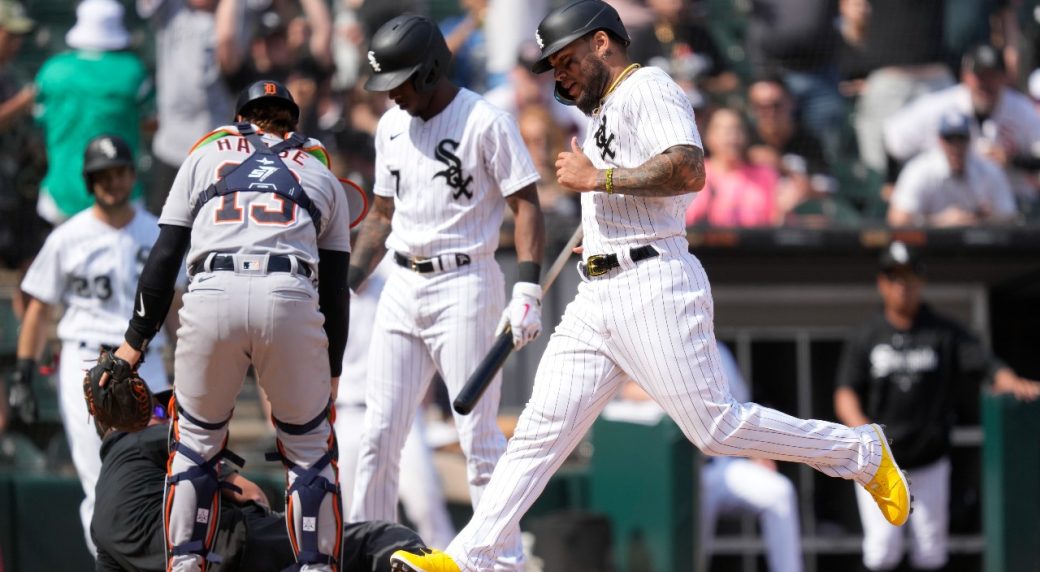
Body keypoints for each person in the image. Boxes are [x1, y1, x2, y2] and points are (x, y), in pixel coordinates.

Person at [390, 2, 912, 570]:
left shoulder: (650, 87)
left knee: (716, 428)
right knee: (539, 432)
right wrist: (600, 223)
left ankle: (860, 450)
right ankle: (467, 557)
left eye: (565, 61)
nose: (559, 76)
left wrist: (599, 179)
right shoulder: (602, 112)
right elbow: (630, 193)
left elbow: (689, 169)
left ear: (602, 43)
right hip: (598, 293)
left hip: (653, 282)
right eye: (551, 67)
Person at [106, 80, 352, 571]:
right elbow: (335, 292)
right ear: (291, 122)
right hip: (289, 294)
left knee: (195, 446)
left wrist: (133, 345)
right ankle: (316, 566)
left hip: (212, 291)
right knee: (308, 449)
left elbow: (164, 258)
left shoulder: (205, 154)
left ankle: (185, 565)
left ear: (242, 118)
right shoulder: (321, 172)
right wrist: (332, 373)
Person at [346, 15, 545, 570]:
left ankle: (499, 561)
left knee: (478, 436)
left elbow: (525, 201)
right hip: (401, 282)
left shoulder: (485, 120)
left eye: (402, 81)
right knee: (378, 435)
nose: (393, 94)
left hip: (466, 281)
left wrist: (528, 285)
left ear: (431, 69)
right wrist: (348, 285)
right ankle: (367, 553)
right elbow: (381, 213)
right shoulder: (390, 126)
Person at [9, 134, 178, 555]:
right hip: (85, 364)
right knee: (97, 477)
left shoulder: (157, 231)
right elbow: (38, 308)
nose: (113, 182)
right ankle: (110, 563)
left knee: (154, 475)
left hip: (146, 363)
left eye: (119, 171)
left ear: (131, 174)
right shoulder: (69, 235)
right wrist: (23, 373)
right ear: (89, 181)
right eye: (103, 175)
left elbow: (175, 308)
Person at [835, 241, 1040, 572]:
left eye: (909, 276)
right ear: (882, 283)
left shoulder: (942, 331)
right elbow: (845, 393)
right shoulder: (866, 334)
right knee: (882, 551)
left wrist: (1013, 382)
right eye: (894, 277)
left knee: (930, 551)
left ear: (922, 281)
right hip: (882, 462)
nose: (903, 286)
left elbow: (986, 366)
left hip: (929, 459)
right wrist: (862, 435)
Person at [90, 390, 438, 572]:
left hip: (206, 560)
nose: (166, 416)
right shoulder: (141, 440)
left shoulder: (99, 521)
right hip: (234, 548)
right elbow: (246, 490)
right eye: (160, 411)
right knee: (375, 539)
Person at [604, 343, 804, 572]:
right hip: (679, 471)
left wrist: (756, 452)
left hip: (721, 465)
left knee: (779, 492)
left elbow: (739, 411)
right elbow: (627, 391)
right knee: (692, 539)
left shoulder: (719, 352)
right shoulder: (659, 347)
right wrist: (675, 393)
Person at [334, 258, 456, 550]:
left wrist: (422, 402)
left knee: (425, 502)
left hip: (398, 408)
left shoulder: (390, 286)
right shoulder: (330, 294)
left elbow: (424, 341)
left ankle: (449, 565)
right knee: (358, 514)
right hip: (346, 413)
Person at [33, 0, 152, 224]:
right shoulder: (133, 71)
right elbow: (150, 123)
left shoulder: (51, 70)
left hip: (61, 193)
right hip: (120, 195)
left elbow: (40, 119)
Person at [883, 44, 1040, 206]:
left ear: (1004, 78)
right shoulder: (941, 107)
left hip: (1013, 205)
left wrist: (1012, 160)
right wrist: (891, 182)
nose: (986, 84)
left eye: (992, 76)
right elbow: (894, 136)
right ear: (965, 76)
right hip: (950, 208)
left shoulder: (1022, 110)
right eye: (980, 76)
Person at [137, 0, 233, 214]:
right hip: (173, 145)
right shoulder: (172, 9)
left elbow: (229, 46)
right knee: (162, 226)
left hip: (219, 145)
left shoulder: (233, 10)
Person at [887, 112, 1017, 227]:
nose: (956, 147)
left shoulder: (988, 169)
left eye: (961, 139)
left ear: (969, 141)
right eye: (950, 140)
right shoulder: (920, 170)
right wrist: (939, 222)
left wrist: (984, 219)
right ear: (940, 141)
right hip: (929, 248)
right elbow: (897, 220)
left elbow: (1009, 218)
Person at [685, 107, 780, 227]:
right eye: (724, 130)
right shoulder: (691, 174)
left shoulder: (765, 175)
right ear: (708, 136)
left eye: (737, 129)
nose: (732, 137)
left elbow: (776, 222)